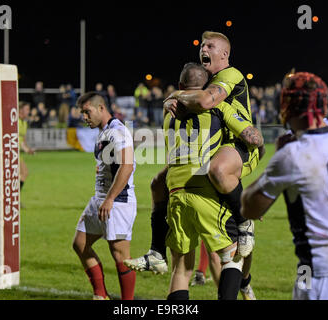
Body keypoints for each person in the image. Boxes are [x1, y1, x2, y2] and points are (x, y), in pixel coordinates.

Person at [125, 31, 263, 299]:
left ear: (225, 54)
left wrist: (173, 96)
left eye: (211, 45)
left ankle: (243, 223)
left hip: (228, 154)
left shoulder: (229, 77)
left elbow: (205, 100)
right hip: (202, 182)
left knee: (182, 265)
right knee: (228, 255)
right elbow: (207, 102)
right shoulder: (207, 104)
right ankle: (241, 274)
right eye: (202, 45)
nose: (203, 48)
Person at [241, 72, 328, 299]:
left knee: (302, 288)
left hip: (316, 271)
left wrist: (278, 157)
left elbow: (249, 208)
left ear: (287, 105)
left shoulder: (292, 154)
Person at [161, 63, 258, 300]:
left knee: (181, 269)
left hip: (175, 192)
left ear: (182, 86)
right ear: (205, 88)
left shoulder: (168, 113)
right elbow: (253, 138)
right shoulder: (218, 109)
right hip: (203, 192)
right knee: (233, 255)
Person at [72, 92, 137, 300]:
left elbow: (127, 167)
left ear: (101, 108)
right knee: (80, 243)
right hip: (100, 199)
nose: (84, 117)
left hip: (117, 201)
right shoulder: (104, 131)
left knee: (120, 254)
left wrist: (109, 199)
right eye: (82, 113)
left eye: (87, 112)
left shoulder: (118, 131)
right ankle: (101, 295)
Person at [18, 102, 36, 207]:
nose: (28, 112)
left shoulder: (24, 123)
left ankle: (15, 199)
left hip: (18, 153)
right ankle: (15, 200)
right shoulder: (14, 122)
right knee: (22, 174)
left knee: (24, 173)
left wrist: (28, 149)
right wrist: (25, 148)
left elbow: (22, 140)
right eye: (27, 109)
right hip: (12, 153)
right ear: (20, 110)